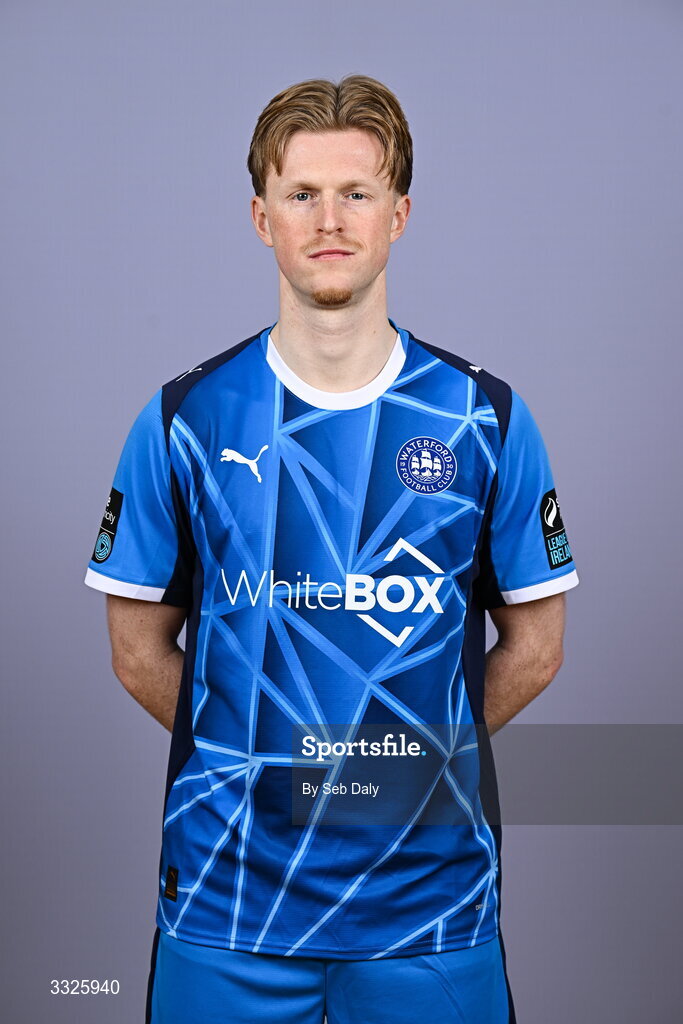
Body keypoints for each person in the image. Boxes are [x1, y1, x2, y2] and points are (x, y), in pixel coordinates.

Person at [84, 74, 579, 1024]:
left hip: (429, 915)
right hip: (228, 908)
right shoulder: (185, 419)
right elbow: (135, 651)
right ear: (260, 217)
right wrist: (266, 760)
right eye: (301, 193)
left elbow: (538, 648)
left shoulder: (484, 418)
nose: (329, 219)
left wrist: (407, 762)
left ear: (399, 213)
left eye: (355, 192)